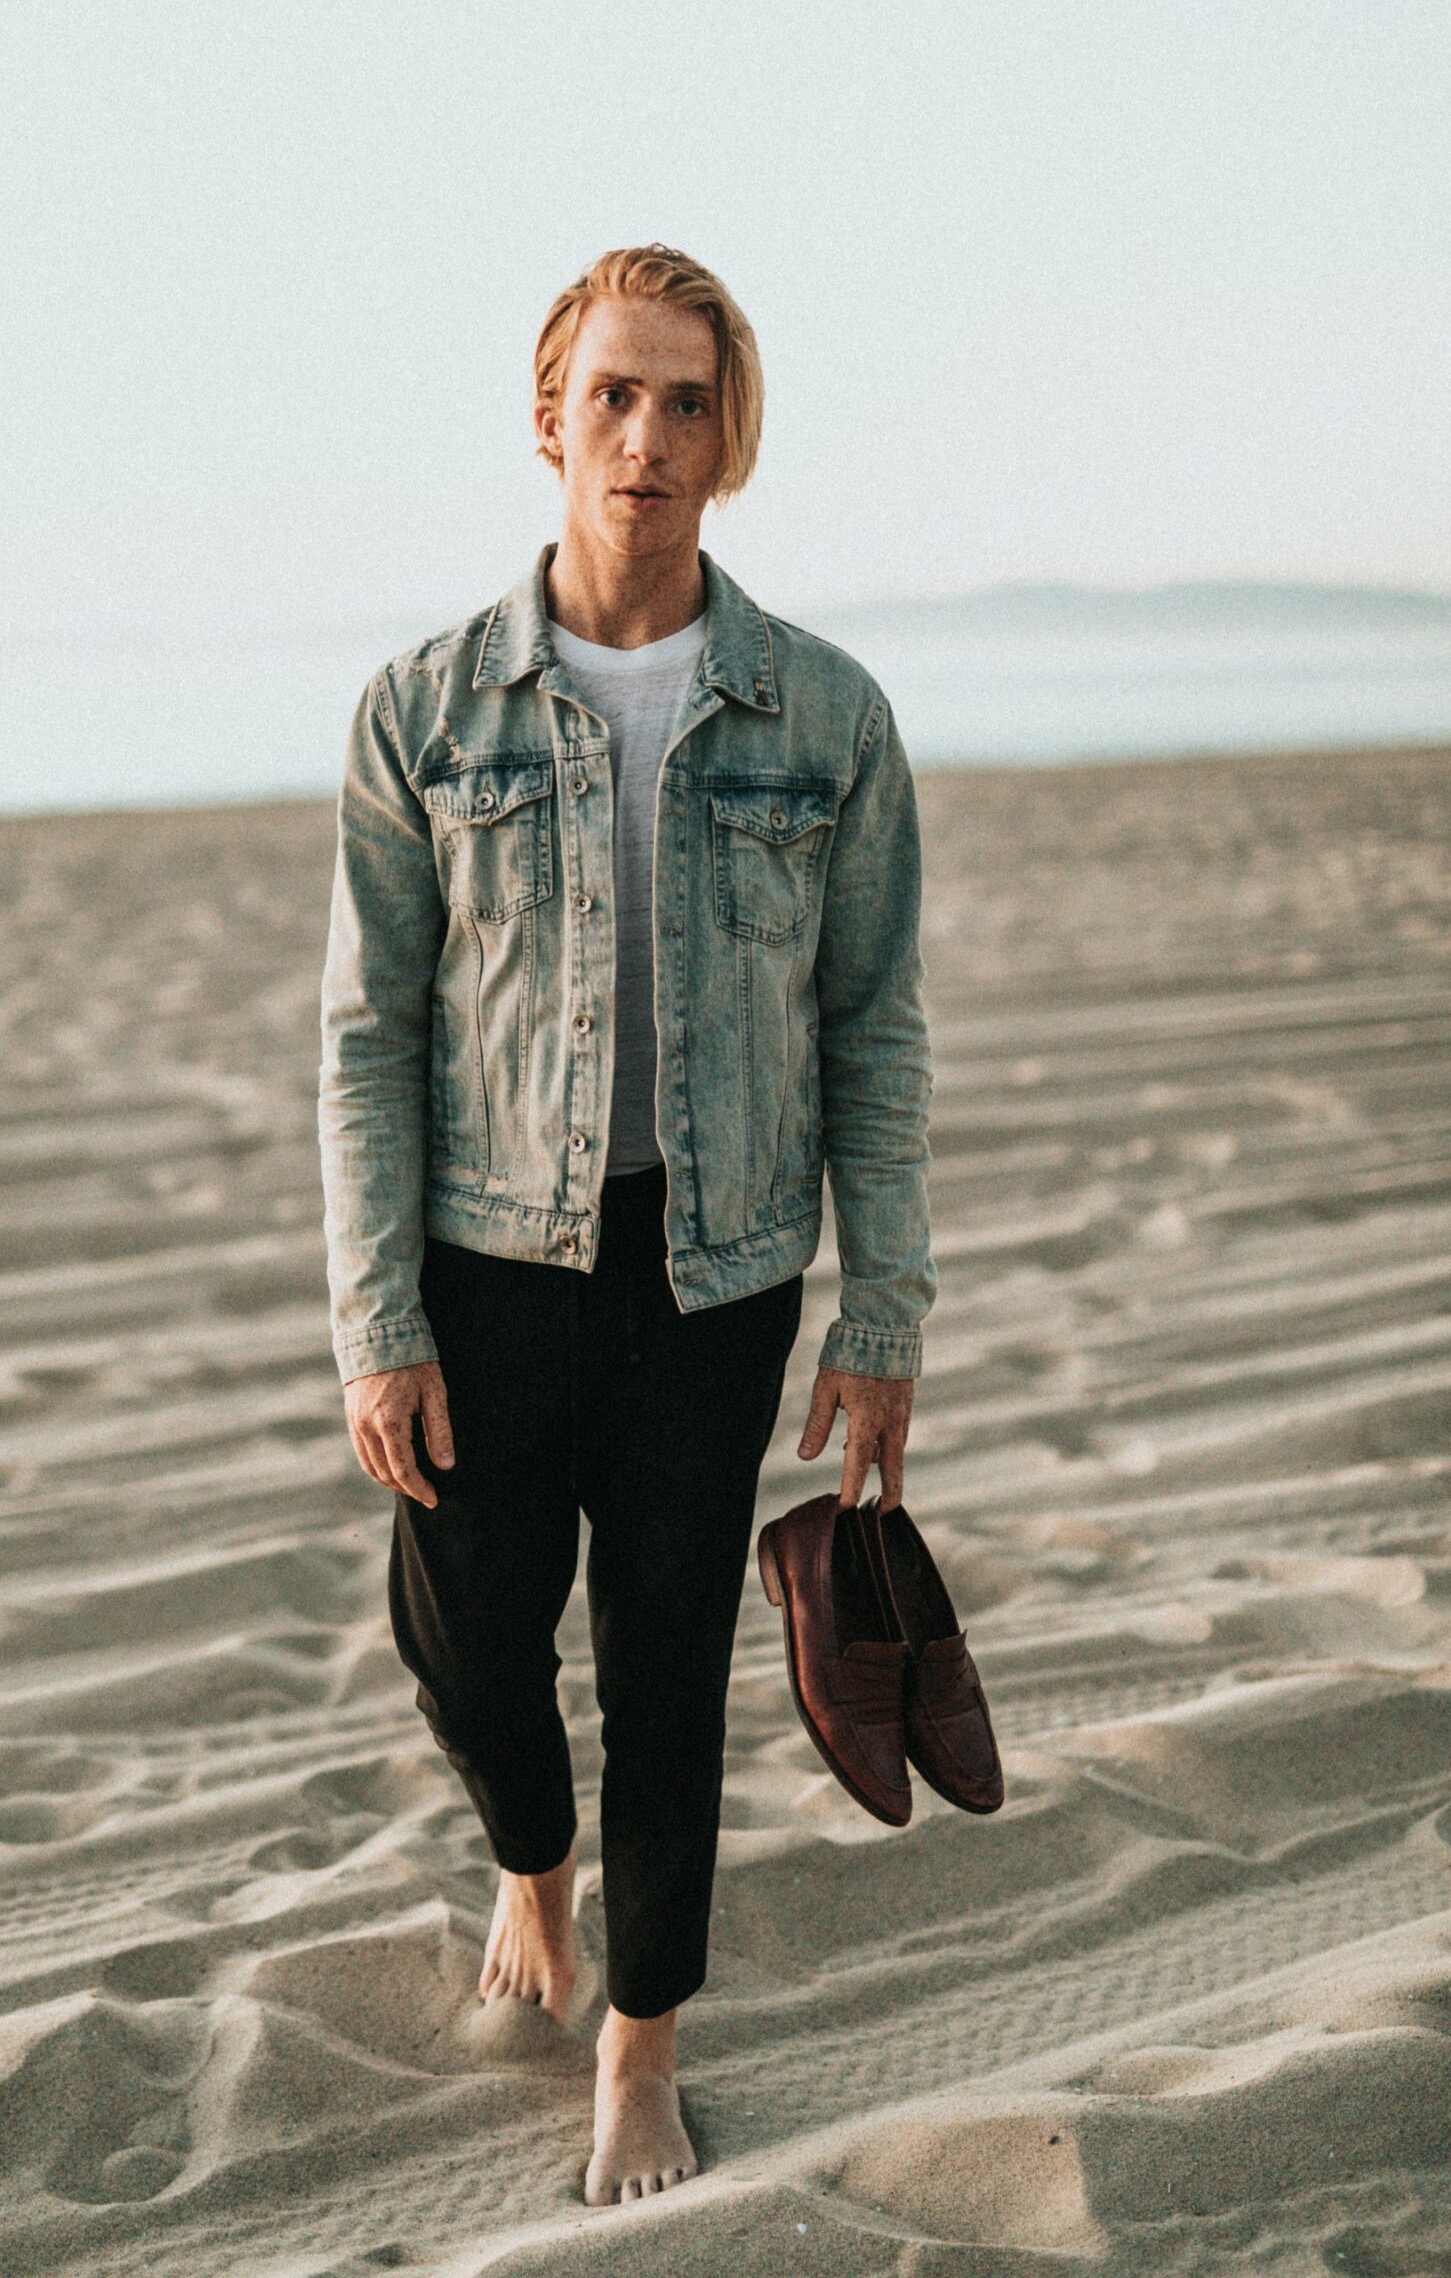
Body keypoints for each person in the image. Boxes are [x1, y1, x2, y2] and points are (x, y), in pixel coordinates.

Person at [317, 244, 935, 2205]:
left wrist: (880, 1305)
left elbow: (873, 1024)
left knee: (668, 1654)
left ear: (723, 435)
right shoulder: (422, 712)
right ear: (545, 415)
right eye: (611, 395)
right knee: (465, 1638)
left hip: (717, 1264)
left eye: (682, 403)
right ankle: (530, 1848)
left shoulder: (823, 715)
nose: (643, 438)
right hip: (486, 1261)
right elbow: (364, 1036)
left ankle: (638, 2041)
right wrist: (372, 1312)